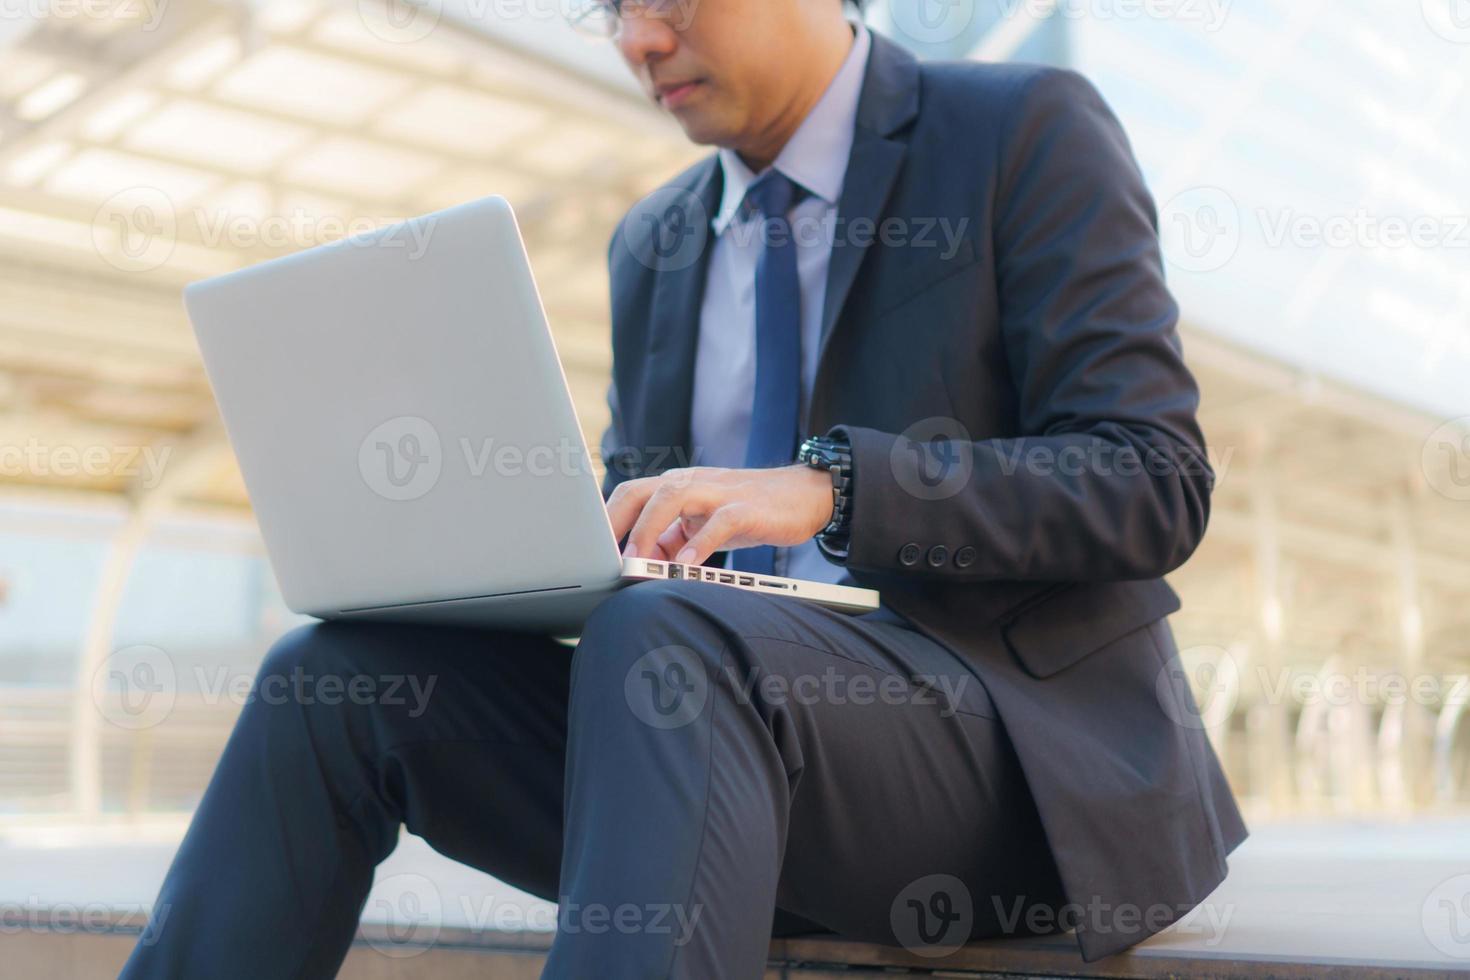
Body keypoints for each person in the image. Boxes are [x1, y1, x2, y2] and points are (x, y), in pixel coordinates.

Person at [121, 0, 1245, 976]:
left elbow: (1151, 477)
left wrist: (829, 485)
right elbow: (653, 533)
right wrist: (510, 558)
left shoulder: (1020, 130)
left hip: (1001, 765)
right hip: (701, 753)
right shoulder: (653, 243)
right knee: (334, 675)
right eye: (608, 8)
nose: (638, 39)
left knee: (671, 637)